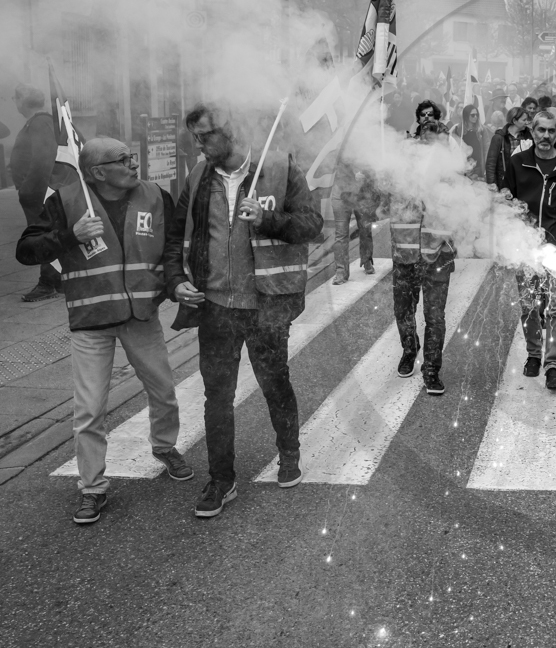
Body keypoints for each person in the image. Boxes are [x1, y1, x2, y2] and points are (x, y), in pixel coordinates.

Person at [16, 138, 190, 525]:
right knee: (90, 409)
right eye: (123, 159)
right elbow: (25, 251)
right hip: (91, 322)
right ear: (97, 172)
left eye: (131, 156)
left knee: (163, 391)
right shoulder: (65, 201)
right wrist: (69, 236)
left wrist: (176, 282)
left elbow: (174, 245)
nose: (133, 163)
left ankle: (164, 447)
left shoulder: (155, 196)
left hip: (141, 317)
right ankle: (92, 488)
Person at [165, 103, 324, 518]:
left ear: (230, 130)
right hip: (216, 307)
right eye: (195, 138)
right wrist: (174, 281)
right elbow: (173, 236)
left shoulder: (278, 166)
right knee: (217, 395)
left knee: (275, 384)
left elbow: (312, 224)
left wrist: (269, 218)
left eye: (205, 137)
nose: (198, 145)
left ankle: (289, 453)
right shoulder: (199, 177)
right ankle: (221, 479)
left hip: (266, 305)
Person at [499, 111, 556, 389]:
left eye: (551, 131)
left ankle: (552, 364)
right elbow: (507, 200)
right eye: (540, 130)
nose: (546, 136)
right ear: (532, 132)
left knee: (554, 308)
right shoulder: (518, 163)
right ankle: (533, 355)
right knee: (529, 306)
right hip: (525, 248)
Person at [391, 119, 457, 396]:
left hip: (438, 254)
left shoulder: (452, 173)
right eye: (426, 140)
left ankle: (431, 369)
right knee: (403, 312)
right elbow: (385, 201)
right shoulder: (400, 168)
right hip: (404, 252)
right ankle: (409, 349)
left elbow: (463, 210)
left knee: (435, 317)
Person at [10, 83, 74, 302]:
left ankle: (48, 283)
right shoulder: (42, 122)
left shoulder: (39, 123)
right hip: (43, 190)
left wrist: (28, 189)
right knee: (50, 233)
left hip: (40, 192)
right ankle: (58, 281)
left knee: (43, 235)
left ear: (21, 101)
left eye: (14, 98)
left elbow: (41, 161)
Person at [330, 161, 380, 285]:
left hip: (361, 194)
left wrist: (365, 174)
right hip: (341, 191)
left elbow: (374, 164)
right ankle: (341, 272)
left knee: (365, 229)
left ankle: (367, 260)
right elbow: (330, 163)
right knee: (341, 234)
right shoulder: (337, 146)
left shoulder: (363, 144)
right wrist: (351, 176)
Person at [485, 107, 533, 190]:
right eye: (524, 120)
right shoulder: (499, 138)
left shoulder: (529, 137)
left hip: (523, 182)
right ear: (514, 121)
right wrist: (492, 185)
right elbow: (490, 164)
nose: (526, 122)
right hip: (504, 183)